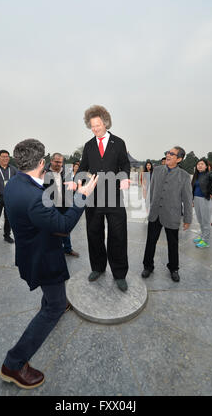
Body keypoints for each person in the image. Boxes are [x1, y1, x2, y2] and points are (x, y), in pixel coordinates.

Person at [0, 138, 98, 390]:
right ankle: (13, 363)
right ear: (42, 162)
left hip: (31, 251)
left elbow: (42, 214)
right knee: (53, 308)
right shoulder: (33, 196)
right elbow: (63, 227)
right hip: (42, 258)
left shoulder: (15, 183)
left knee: (53, 298)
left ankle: (54, 301)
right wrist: (82, 196)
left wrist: (67, 193)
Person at [76, 105, 130, 292]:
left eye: (98, 125)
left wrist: (124, 178)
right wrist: (78, 182)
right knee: (94, 233)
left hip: (113, 196)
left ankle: (120, 274)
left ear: (105, 123)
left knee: (118, 235)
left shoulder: (119, 143)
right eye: (92, 126)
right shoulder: (89, 146)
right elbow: (83, 168)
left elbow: (125, 164)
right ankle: (97, 267)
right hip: (93, 198)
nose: (95, 129)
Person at [141, 146, 193, 283]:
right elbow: (151, 192)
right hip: (155, 214)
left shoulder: (184, 176)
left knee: (173, 244)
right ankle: (148, 266)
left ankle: (173, 268)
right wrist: (150, 207)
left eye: (172, 154)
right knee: (150, 241)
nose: (168, 155)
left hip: (172, 215)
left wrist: (188, 218)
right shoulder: (157, 171)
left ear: (179, 159)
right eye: (168, 153)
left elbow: (187, 200)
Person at [44, 153, 79, 257]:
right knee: (51, 228)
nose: (58, 164)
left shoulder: (67, 172)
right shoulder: (44, 172)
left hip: (65, 204)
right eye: (56, 162)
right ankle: (52, 250)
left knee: (65, 228)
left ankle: (67, 248)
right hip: (51, 205)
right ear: (51, 161)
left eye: (60, 162)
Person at [191, 158, 212, 248]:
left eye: (202, 164)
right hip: (196, 199)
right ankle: (202, 236)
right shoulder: (196, 175)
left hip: (205, 199)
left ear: (206, 166)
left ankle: (206, 241)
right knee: (200, 219)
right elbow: (193, 188)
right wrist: (192, 200)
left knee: (206, 221)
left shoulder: (209, 174)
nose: (199, 166)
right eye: (198, 164)